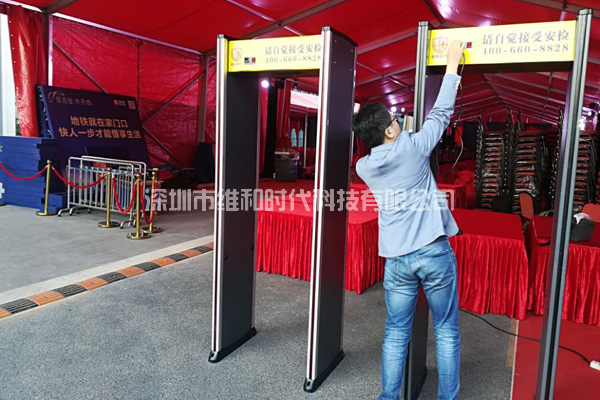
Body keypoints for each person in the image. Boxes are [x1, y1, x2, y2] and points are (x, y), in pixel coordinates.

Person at [352, 40, 465, 400]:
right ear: (388, 130)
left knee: (395, 333)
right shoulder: (413, 148)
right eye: (395, 120)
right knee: (446, 331)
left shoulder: (364, 166)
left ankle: (389, 397)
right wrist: (452, 67)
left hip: (397, 259)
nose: (399, 122)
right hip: (432, 251)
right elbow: (441, 113)